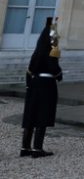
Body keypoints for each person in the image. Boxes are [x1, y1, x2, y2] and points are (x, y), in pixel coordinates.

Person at [21, 17, 62, 157]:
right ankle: (37, 149)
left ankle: (25, 147)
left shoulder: (37, 51)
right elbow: (55, 69)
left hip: (34, 84)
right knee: (42, 116)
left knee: (30, 116)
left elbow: (29, 70)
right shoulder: (52, 50)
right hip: (47, 86)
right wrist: (59, 74)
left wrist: (28, 87)